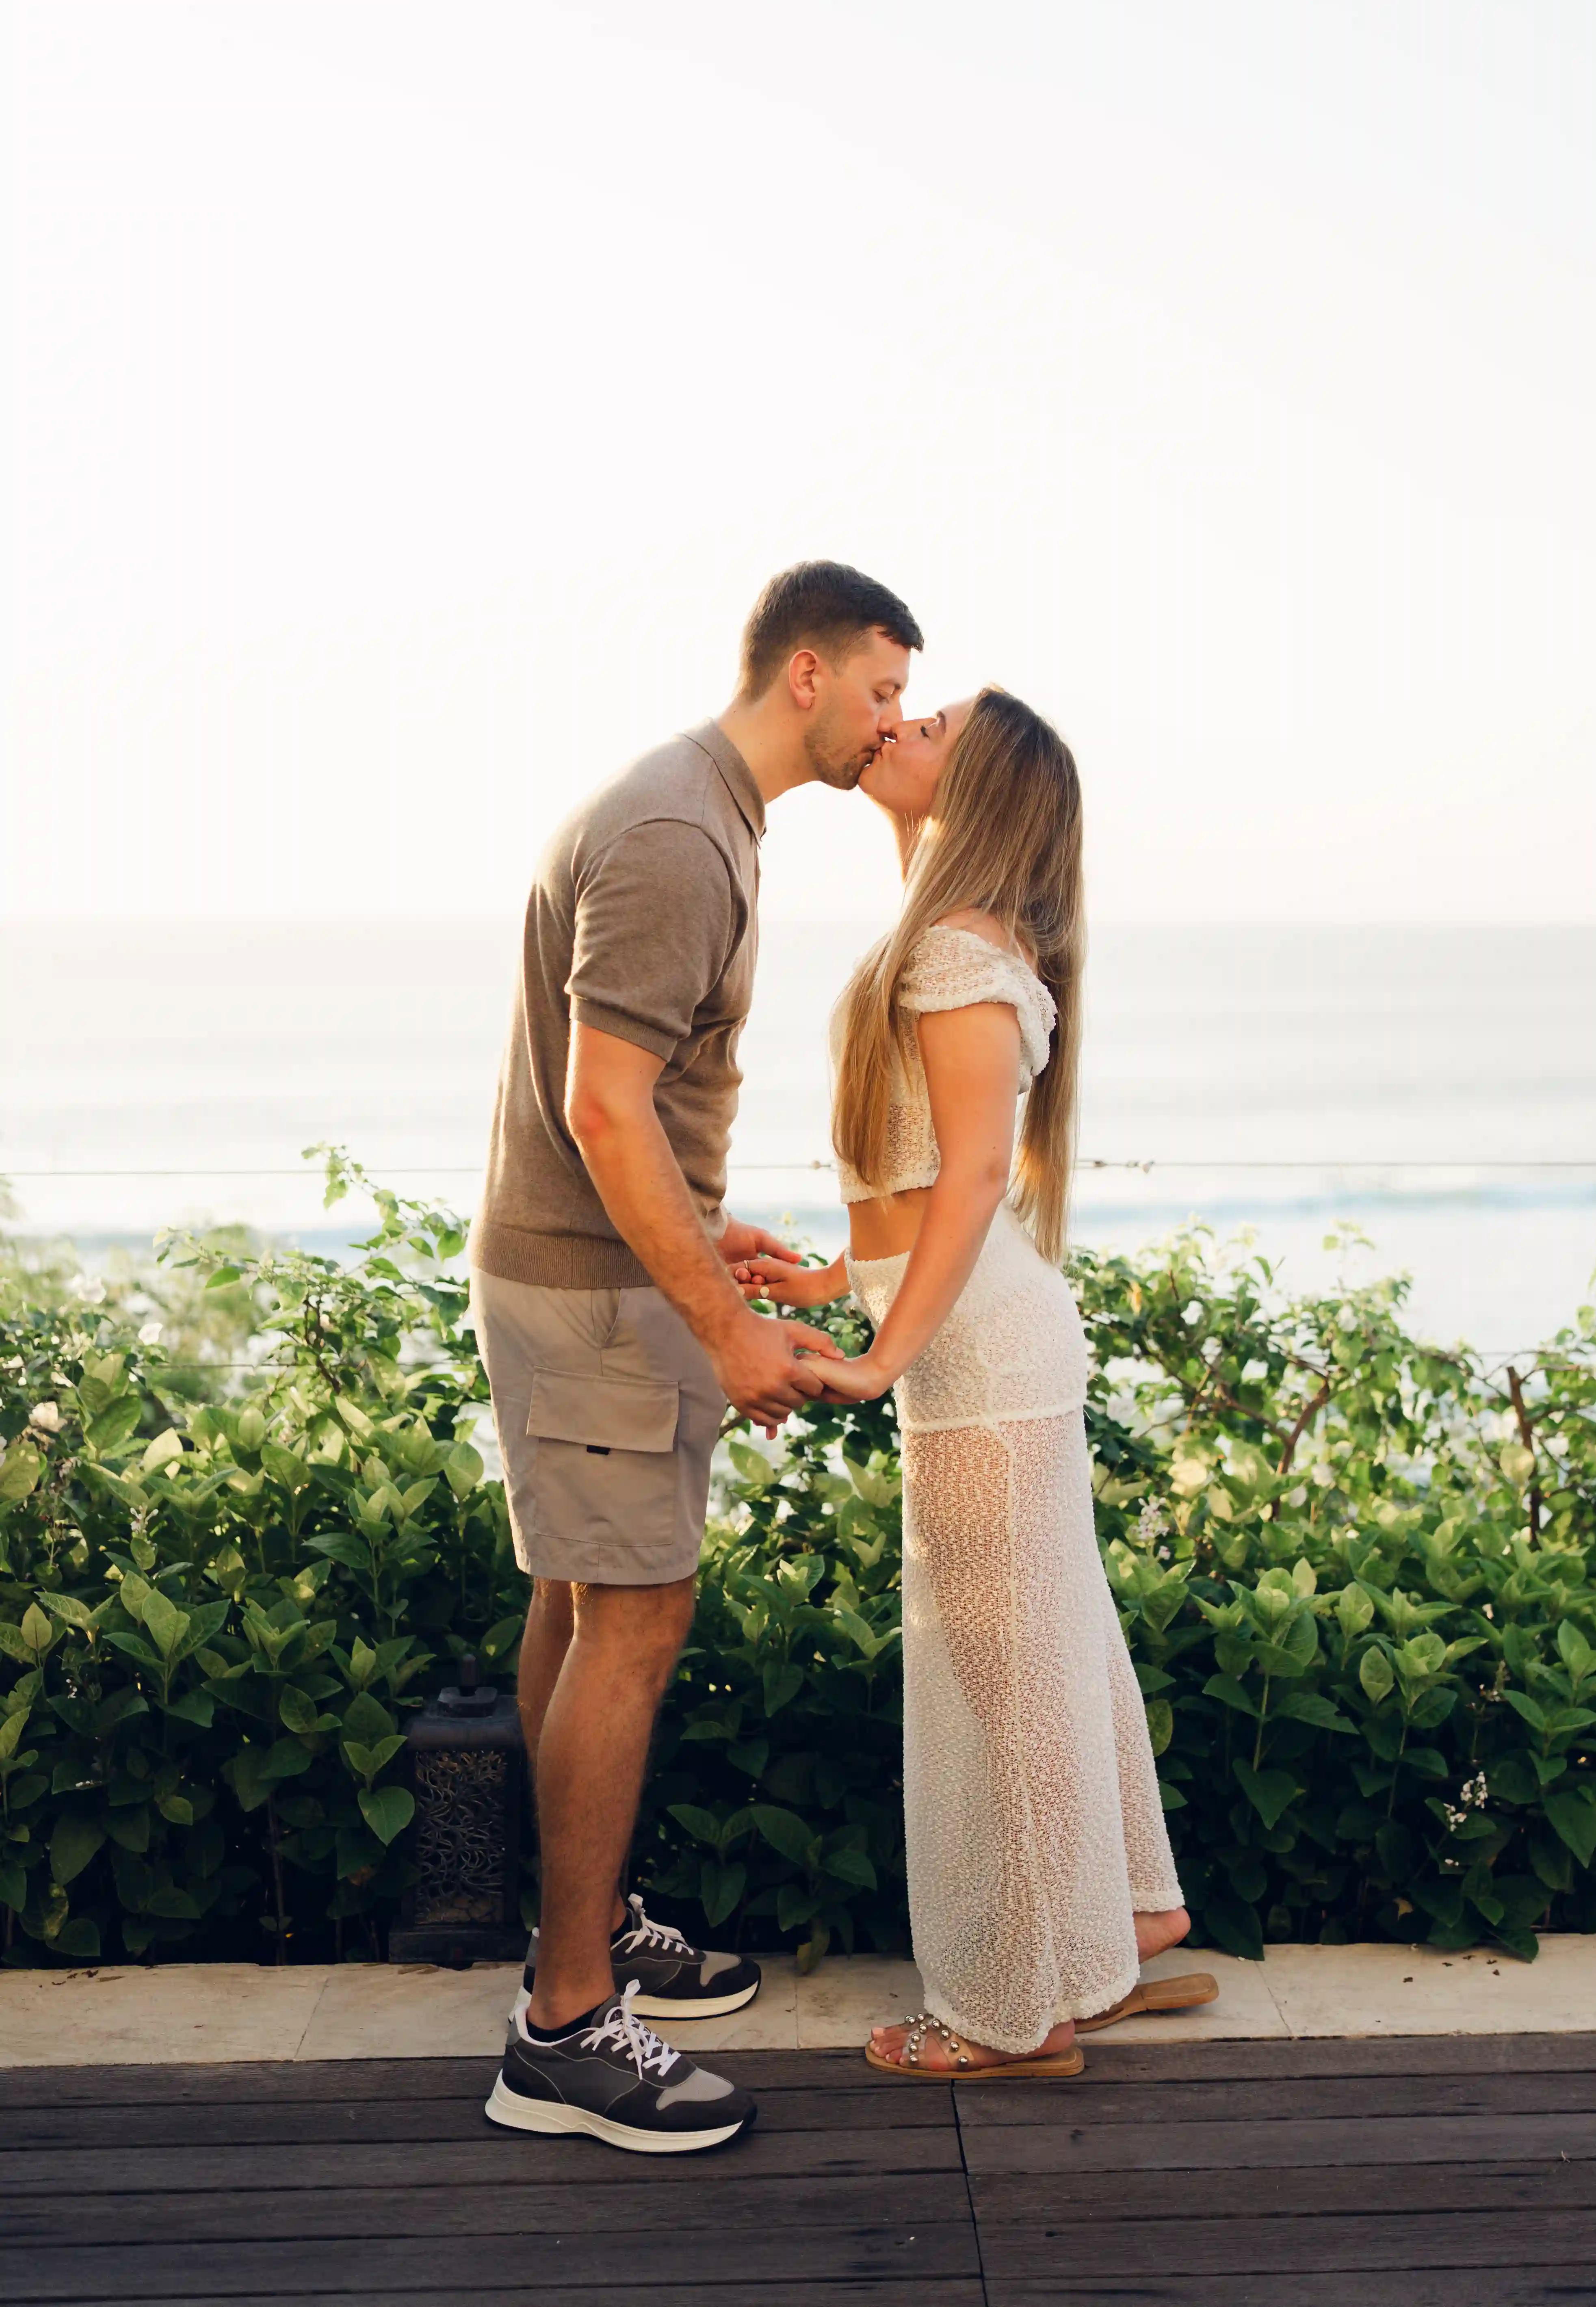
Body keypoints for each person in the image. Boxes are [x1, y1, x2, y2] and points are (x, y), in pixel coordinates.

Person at [472, 560, 921, 2147]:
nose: (893, 720)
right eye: (881, 688)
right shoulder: (679, 832)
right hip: (598, 1300)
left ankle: (571, 1941)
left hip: (605, 1275)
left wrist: (706, 1238)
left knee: (585, 1607)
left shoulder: (698, 809)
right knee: (636, 1621)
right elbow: (603, 1106)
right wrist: (724, 1326)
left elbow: (629, 1112)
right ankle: (566, 2030)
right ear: (805, 671)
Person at [737, 688, 1212, 2076]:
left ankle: (1019, 2014)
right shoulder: (959, 937)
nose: (898, 726)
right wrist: (845, 1284)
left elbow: (973, 1177)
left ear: (980, 789)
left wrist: (883, 1351)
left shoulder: (951, 951)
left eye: (928, 724)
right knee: (1050, 1648)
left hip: (978, 1357)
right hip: (988, 1335)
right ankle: (1121, 1923)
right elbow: (913, 1179)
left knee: (998, 1675)